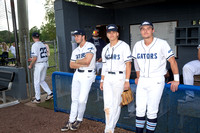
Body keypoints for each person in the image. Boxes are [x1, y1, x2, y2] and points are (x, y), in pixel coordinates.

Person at [132, 21, 179, 133]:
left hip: (156, 80)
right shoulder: (137, 45)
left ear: (153, 30)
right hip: (143, 80)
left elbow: (172, 61)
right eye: (143, 29)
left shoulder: (162, 43)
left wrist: (176, 79)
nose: (145, 30)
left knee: (152, 111)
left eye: (148, 28)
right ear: (140, 31)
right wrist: (138, 76)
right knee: (139, 110)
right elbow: (136, 62)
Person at [61, 29, 96, 132]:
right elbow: (71, 65)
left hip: (88, 74)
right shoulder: (75, 50)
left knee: (81, 100)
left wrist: (77, 61)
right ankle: (71, 120)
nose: (76, 37)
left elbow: (88, 61)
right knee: (74, 99)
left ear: (83, 36)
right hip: (77, 74)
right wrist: (81, 62)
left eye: (78, 36)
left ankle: (79, 119)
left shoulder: (90, 46)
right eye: (75, 36)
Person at [100, 24, 132, 133]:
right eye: (109, 32)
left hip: (119, 76)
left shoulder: (124, 46)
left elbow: (128, 64)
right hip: (108, 77)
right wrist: (102, 80)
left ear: (117, 33)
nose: (111, 34)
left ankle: (109, 129)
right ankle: (109, 128)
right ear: (107, 34)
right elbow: (104, 66)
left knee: (116, 104)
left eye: (113, 32)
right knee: (107, 105)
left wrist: (127, 80)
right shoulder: (105, 49)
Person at [28, 32, 53, 104]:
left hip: (39, 65)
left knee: (36, 81)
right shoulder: (42, 44)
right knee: (41, 80)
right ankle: (50, 93)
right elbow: (37, 56)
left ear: (33, 37)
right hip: (45, 63)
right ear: (38, 37)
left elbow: (35, 58)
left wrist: (31, 65)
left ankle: (38, 99)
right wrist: (32, 59)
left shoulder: (34, 45)